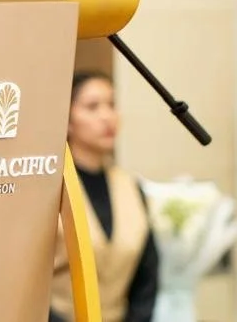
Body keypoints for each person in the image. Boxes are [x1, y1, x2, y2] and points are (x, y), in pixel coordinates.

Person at [49, 71, 159, 322]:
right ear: (67, 120)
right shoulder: (49, 190)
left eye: (111, 105)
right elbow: (29, 282)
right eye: (92, 107)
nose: (107, 116)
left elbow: (147, 277)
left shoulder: (131, 187)